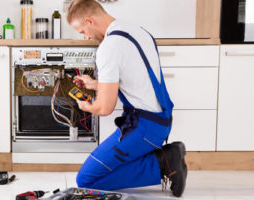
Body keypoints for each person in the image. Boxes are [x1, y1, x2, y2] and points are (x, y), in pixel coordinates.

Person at [66, 0, 188, 197]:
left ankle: (164, 162)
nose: (86, 37)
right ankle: (161, 158)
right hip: (161, 120)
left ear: (89, 21)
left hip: (144, 128)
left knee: (86, 179)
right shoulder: (136, 31)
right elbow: (135, 79)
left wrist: (86, 106)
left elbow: (104, 108)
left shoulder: (109, 47)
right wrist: (95, 84)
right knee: (105, 167)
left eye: (82, 32)